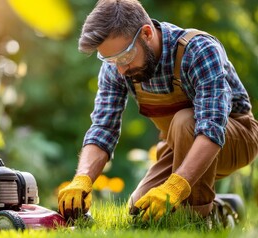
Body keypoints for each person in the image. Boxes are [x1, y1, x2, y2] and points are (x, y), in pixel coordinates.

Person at [57, 0, 258, 223]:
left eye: (124, 57)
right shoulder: (117, 67)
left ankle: (198, 219)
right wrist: (82, 179)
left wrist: (175, 187)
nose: (121, 69)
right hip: (177, 144)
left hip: (236, 138)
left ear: (146, 33)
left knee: (185, 121)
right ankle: (221, 209)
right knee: (141, 212)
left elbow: (212, 128)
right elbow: (103, 128)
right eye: (111, 60)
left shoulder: (199, 50)